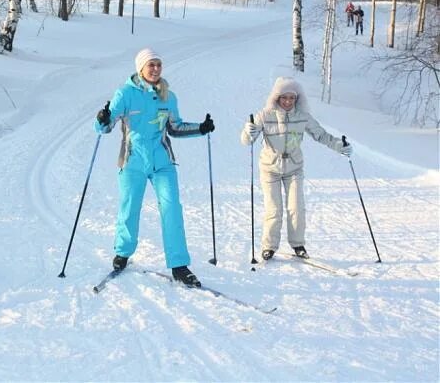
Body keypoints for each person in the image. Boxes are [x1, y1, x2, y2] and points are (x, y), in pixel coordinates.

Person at [94, 48, 215, 287]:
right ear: (141, 68)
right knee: (130, 207)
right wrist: (102, 118)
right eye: (151, 65)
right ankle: (123, 252)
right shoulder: (125, 94)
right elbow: (105, 128)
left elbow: (175, 128)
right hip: (132, 161)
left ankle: (179, 265)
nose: (156, 69)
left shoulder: (168, 97)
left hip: (162, 162)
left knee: (172, 209)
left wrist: (201, 128)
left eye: (159, 64)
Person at [240, 77, 352, 261]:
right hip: (270, 169)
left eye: (292, 98)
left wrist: (341, 146)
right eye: (284, 97)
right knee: (274, 209)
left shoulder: (302, 117)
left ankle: (298, 244)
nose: (288, 101)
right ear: (277, 97)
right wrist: (248, 131)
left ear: (297, 99)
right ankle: (269, 246)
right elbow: (246, 141)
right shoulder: (264, 115)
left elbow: (321, 135)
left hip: (294, 168)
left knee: (296, 208)